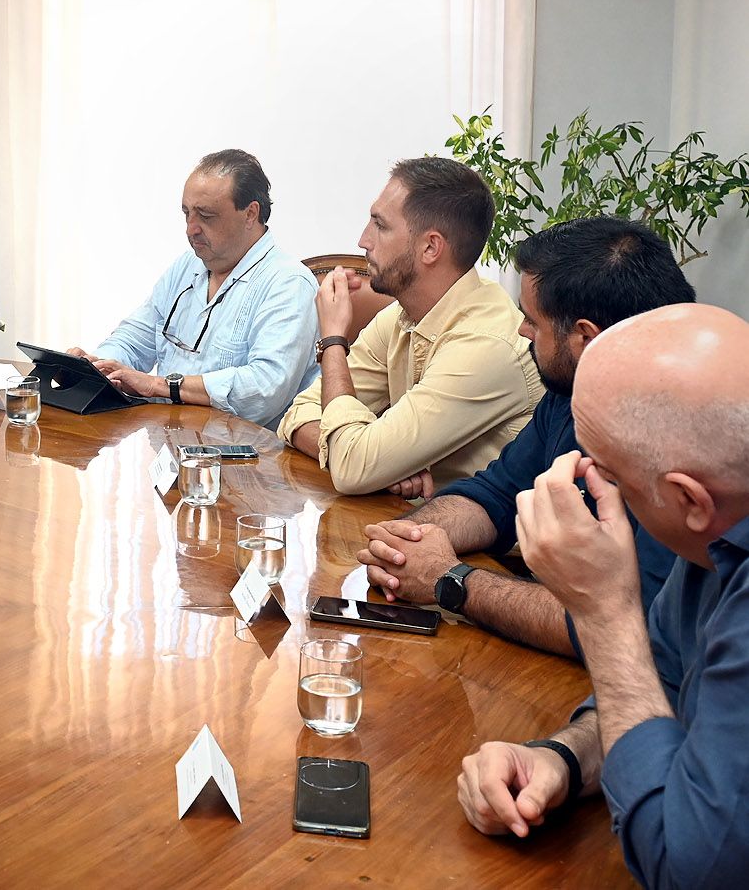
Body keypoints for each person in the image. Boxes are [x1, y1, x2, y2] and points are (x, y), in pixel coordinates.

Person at [457, 305, 749, 888]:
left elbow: (686, 868)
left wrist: (605, 615)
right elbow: (662, 685)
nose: (579, 484)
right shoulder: (711, 538)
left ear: (690, 501)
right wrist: (562, 759)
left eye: (607, 478)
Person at [356, 218, 692, 655]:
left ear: (584, 337)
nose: (521, 331)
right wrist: (406, 544)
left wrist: (450, 581)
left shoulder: (682, 440)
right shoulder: (575, 387)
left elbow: (618, 626)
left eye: (533, 321)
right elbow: (495, 494)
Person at [278, 157, 541, 493]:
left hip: (475, 544)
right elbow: (297, 414)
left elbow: (353, 468)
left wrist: (332, 340)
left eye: (380, 225)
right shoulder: (402, 315)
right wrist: (376, 463)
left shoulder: (488, 344)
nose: (363, 240)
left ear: (430, 247)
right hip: (411, 525)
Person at [64, 149, 318, 428]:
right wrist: (97, 367)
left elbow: (264, 389)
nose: (190, 229)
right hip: (169, 445)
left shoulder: (288, 283)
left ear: (250, 214)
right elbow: (138, 335)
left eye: (206, 216)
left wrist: (160, 386)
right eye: (186, 214)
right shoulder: (188, 265)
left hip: (244, 460)